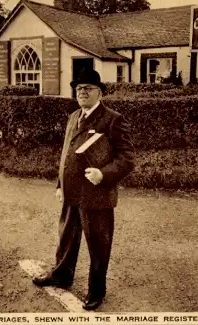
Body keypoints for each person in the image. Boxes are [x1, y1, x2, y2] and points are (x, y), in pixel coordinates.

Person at [32, 68, 135, 311]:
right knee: (66, 237)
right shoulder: (73, 117)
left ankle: (97, 291)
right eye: (78, 89)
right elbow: (66, 154)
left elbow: (128, 157)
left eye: (87, 88)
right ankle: (62, 274)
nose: (82, 92)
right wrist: (60, 184)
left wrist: (104, 174)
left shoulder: (113, 119)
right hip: (72, 192)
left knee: (98, 244)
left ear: (99, 92)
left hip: (97, 193)